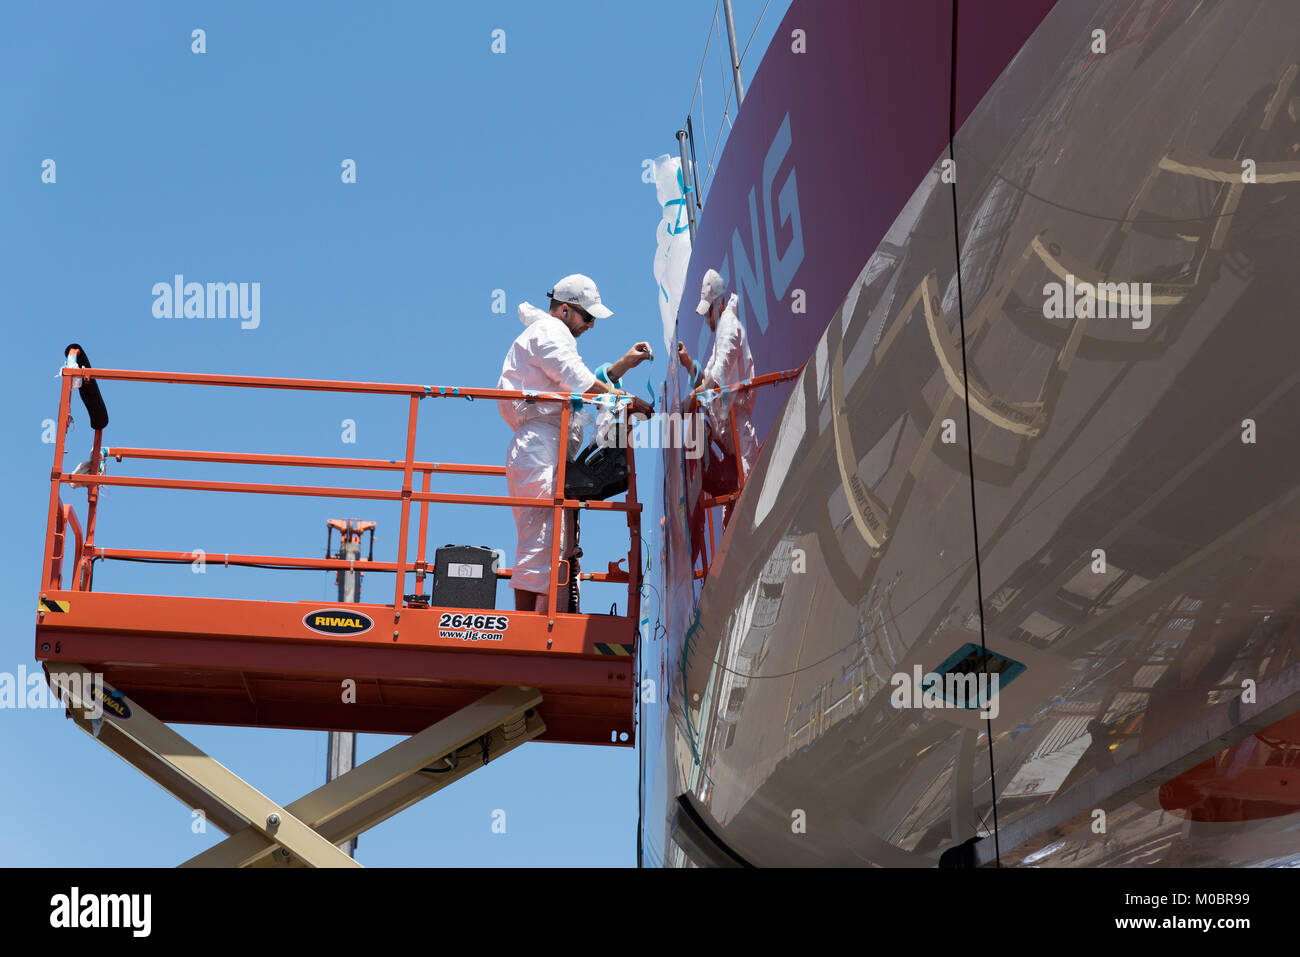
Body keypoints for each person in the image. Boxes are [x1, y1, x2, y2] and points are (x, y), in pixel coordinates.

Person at [498, 274, 653, 613]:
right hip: (539, 448)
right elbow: (580, 382)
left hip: (545, 446)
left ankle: (544, 618)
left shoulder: (549, 335)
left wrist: (622, 367)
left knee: (555, 541)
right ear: (565, 310)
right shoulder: (550, 332)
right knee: (541, 540)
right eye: (588, 316)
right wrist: (626, 398)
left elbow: (579, 384)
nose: (592, 325)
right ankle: (531, 625)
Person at [677, 268, 760, 491]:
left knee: (748, 495)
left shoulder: (729, 326)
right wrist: (687, 362)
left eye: (707, 314)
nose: (705, 320)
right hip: (727, 430)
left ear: (719, 303)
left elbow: (717, 375)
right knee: (734, 508)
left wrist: (691, 399)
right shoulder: (723, 329)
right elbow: (708, 378)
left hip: (737, 427)